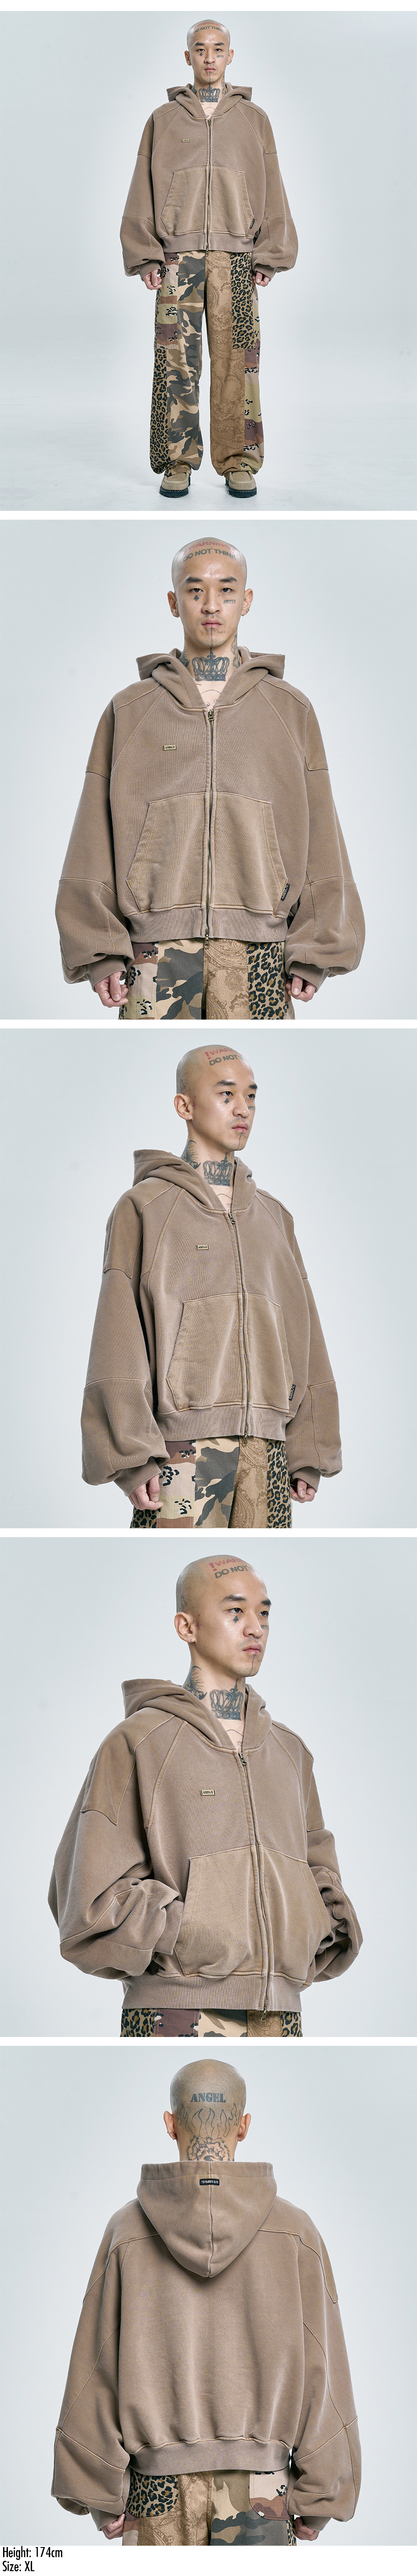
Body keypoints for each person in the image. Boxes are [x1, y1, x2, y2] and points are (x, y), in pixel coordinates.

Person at [49, 1550, 362, 2039]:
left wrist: (310, 1926)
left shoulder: (290, 1752)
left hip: (282, 2016)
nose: (255, 1628)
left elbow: (319, 1869)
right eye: (235, 1612)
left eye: (263, 1613)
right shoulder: (139, 1742)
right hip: (175, 2012)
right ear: (187, 1627)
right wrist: (188, 1931)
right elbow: (86, 1900)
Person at [55, 536, 365, 1023]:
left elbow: (322, 829)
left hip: (261, 948)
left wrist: (317, 944)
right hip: (154, 953)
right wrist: (98, 948)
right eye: (195, 591)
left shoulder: (290, 709)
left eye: (226, 591)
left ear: (247, 600)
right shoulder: (130, 709)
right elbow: (92, 835)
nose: (212, 606)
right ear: (173, 602)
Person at [52, 2055, 361, 2542]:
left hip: (155, 2494)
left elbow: (97, 2365)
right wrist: (322, 2496)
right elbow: (325, 2369)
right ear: (244, 2126)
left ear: (170, 2124)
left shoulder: (126, 2232)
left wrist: (97, 2492)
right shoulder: (296, 2233)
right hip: (263, 2494)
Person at [80, 1044, 342, 1528]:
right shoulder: (145, 1207)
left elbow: (304, 1331)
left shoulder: (274, 1217)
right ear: (185, 1106)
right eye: (226, 1095)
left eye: (251, 1096)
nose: (243, 1109)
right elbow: (118, 1332)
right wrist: (131, 1453)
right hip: (180, 1449)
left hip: (269, 1448)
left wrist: (310, 1446)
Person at [120, 18, 298, 498]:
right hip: (177, 259)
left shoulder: (254, 118)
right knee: (175, 361)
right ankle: (177, 462)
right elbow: (141, 188)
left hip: (236, 257)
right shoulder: (162, 119)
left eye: (218, 49)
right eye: (200, 49)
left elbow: (273, 187)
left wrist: (270, 254)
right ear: (188, 57)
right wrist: (145, 254)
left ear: (230, 56)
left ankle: (238, 461)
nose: (209, 58)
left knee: (237, 361)